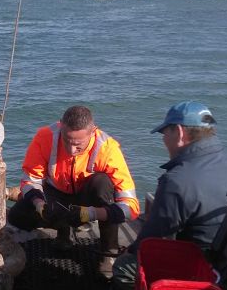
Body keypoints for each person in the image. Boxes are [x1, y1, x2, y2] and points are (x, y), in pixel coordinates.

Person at [112, 100, 227, 290]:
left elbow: (150, 243)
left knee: (125, 267)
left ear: (178, 132)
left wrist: (128, 251)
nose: (163, 140)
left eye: (164, 133)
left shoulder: (177, 180)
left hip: (209, 281)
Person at [8, 105, 140, 279]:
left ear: (93, 132)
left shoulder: (108, 149)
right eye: (67, 141)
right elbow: (30, 180)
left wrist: (91, 213)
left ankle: (108, 253)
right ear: (61, 126)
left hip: (88, 200)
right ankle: (63, 229)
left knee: (102, 183)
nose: (71, 150)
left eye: (78, 145)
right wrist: (40, 204)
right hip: (55, 195)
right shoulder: (45, 137)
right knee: (17, 216)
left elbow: (131, 207)